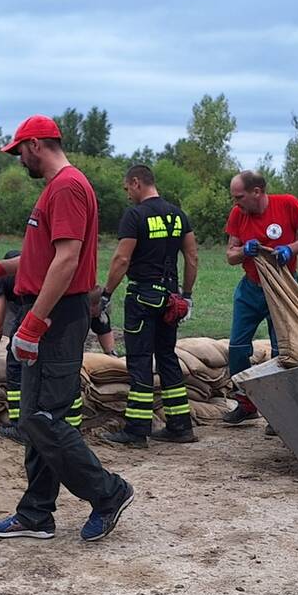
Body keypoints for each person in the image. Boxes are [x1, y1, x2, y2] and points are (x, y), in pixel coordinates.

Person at [0, 114, 133, 542]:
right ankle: (36, 513)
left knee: (46, 417)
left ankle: (108, 492)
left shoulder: (66, 187)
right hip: (49, 313)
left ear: (36, 145)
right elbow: (41, 258)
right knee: (33, 418)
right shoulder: (58, 189)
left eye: (19, 151)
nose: (18, 159)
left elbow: (66, 261)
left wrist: (34, 323)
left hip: (58, 317)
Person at [98, 164, 199, 448]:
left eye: (127, 187)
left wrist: (106, 293)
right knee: (167, 356)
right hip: (171, 299)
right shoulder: (178, 215)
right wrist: (186, 295)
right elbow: (192, 258)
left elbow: (121, 260)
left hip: (142, 296)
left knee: (140, 360)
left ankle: (136, 430)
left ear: (136, 182)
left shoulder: (135, 215)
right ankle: (180, 425)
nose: (127, 193)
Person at [0, 254, 117, 445]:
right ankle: (67, 427)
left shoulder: (92, 300)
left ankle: (21, 427)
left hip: (40, 305)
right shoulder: (81, 297)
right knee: (64, 371)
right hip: (49, 304)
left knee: (19, 366)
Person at [223, 170, 298, 425]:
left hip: (283, 289)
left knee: (283, 351)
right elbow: (230, 254)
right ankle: (246, 403)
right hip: (251, 288)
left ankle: (281, 416)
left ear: (257, 192)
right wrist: (244, 252)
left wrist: (291, 249)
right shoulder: (238, 214)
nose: (236, 203)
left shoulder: (287, 204)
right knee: (236, 348)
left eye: (239, 197)